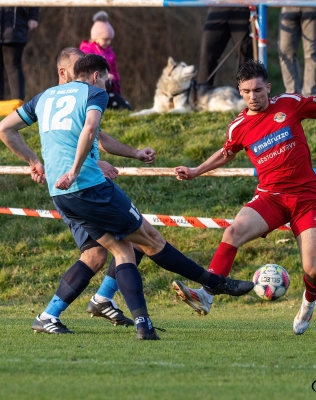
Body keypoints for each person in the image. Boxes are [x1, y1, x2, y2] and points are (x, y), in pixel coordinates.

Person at [0, 54, 254, 340]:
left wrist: (33, 161)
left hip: (61, 194)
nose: (107, 85)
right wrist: (75, 170)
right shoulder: (94, 93)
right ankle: (214, 283)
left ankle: (142, 325)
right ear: (96, 76)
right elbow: (90, 129)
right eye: (106, 79)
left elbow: (5, 129)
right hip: (90, 187)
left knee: (123, 250)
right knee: (151, 240)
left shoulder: (43, 97)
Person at [173, 59, 316, 335]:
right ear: (240, 91)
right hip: (270, 197)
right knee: (233, 232)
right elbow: (226, 153)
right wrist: (195, 171)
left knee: (313, 271)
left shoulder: (288, 103)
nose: (253, 96)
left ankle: (308, 303)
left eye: (258, 90)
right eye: (246, 91)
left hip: (305, 198)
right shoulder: (238, 126)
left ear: (268, 88)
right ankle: (206, 296)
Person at [33, 47, 156, 334]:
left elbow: (95, 136)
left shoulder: (81, 98)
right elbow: (61, 147)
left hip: (82, 183)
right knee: (108, 250)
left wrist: (134, 153)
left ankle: (98, 301)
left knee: (126, 244)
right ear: (63, 72)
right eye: (78, 69)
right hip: (74, 188)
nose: (84, 74)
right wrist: (34, 161)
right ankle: (53, 314)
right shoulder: (52, 100)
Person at [80, 11, 132, 111]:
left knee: (125, 107)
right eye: (105, 39)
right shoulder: (87, 52)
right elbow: (85, 72)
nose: (108, 42)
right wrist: (103, 76)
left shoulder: (110, 53)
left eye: (110, 39)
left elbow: (115, 72)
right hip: (92, 90)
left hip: (109, 89)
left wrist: (116, 86)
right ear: (95, 38)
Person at [197, 7, 253, 90]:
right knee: (207, 52)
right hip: (218, 6)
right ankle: (201, 92)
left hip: (243, 8)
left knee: (244, 52)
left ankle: (243, 95)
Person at [278, 7, 316, 96]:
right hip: (288, 6)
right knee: (285, 52)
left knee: (312, 53)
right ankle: (292, 95)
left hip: (313, 7)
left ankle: (310, 97)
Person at [0, 7, 39, 100]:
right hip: (15, 26)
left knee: (13, 66)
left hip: (15, 27)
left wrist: (33, 16)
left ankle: (17, 104)